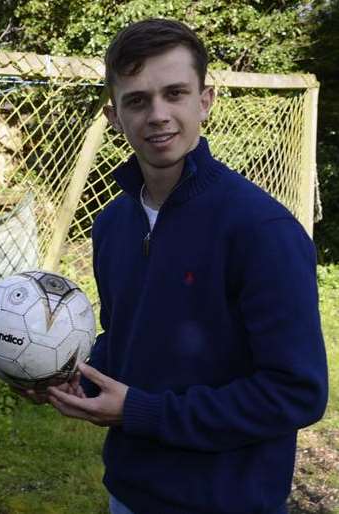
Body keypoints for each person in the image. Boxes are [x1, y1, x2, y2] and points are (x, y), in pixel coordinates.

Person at [27, 18, 328, 514]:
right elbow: (125, 337)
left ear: (204, 101)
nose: (158, 114)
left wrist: (140, 411)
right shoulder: (112, 224)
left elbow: (296, 393)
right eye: (138, 100)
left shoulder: (261, 230)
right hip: (129, 493)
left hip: (229, 500)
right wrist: (75, 375)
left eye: (175, 93)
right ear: (115, 115)